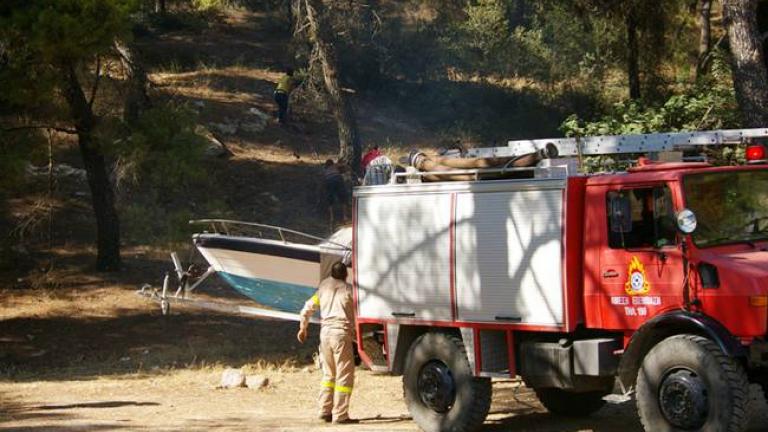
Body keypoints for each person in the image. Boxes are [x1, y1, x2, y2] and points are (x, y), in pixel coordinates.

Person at [297, 261, 358, 424]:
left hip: (325, 335)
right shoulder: (349, 290)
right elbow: (357, 315)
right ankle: (340, 414)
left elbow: (307, 308)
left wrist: (303, 328)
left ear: (331, 273)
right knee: (344, 375)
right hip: (341, 335)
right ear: (346, 275)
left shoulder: (323, 287)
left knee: (328, 374)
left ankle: (324, 411)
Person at [323, 159, 348, 230]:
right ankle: (345, 216)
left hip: (329, 180)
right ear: (332, 163)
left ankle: (332, 217)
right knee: (343, 197)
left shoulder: (325, 170)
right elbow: (343, 166)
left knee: (330, 200)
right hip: (338, 178)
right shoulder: (335, 166)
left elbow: (324, 179)